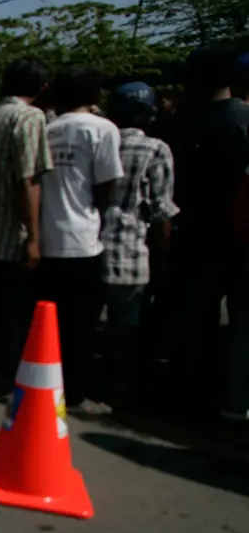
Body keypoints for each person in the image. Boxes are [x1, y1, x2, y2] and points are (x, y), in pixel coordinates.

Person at [167, 46, 249, 420]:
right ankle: (228, 398)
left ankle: (187, 392)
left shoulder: (182, 121)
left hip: (193, 231)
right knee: (238, 323)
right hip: (237, 235)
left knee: (194, 315)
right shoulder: (242, 119)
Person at [41, 67, 124, 414]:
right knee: (83, 326)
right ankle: (74, 394)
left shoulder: (48, 129)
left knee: (50, 326)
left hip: (47, 237)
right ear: (93, 98)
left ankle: (47, 388)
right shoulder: (102, 129)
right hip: (84, 239)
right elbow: (108, 184)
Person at [0, 58, 54, 401]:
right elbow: (28, 179)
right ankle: (3, 380)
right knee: (13, 313)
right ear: (40, 88)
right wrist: (34, 237)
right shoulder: (29, 118)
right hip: (13, 232)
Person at [101, 82, 179, 410]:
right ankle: (117, 393)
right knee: (125, 328)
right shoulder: (155, 149)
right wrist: (165, 254)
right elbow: (161, 209)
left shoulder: (101, 142)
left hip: (91, 247)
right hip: (131, 251)